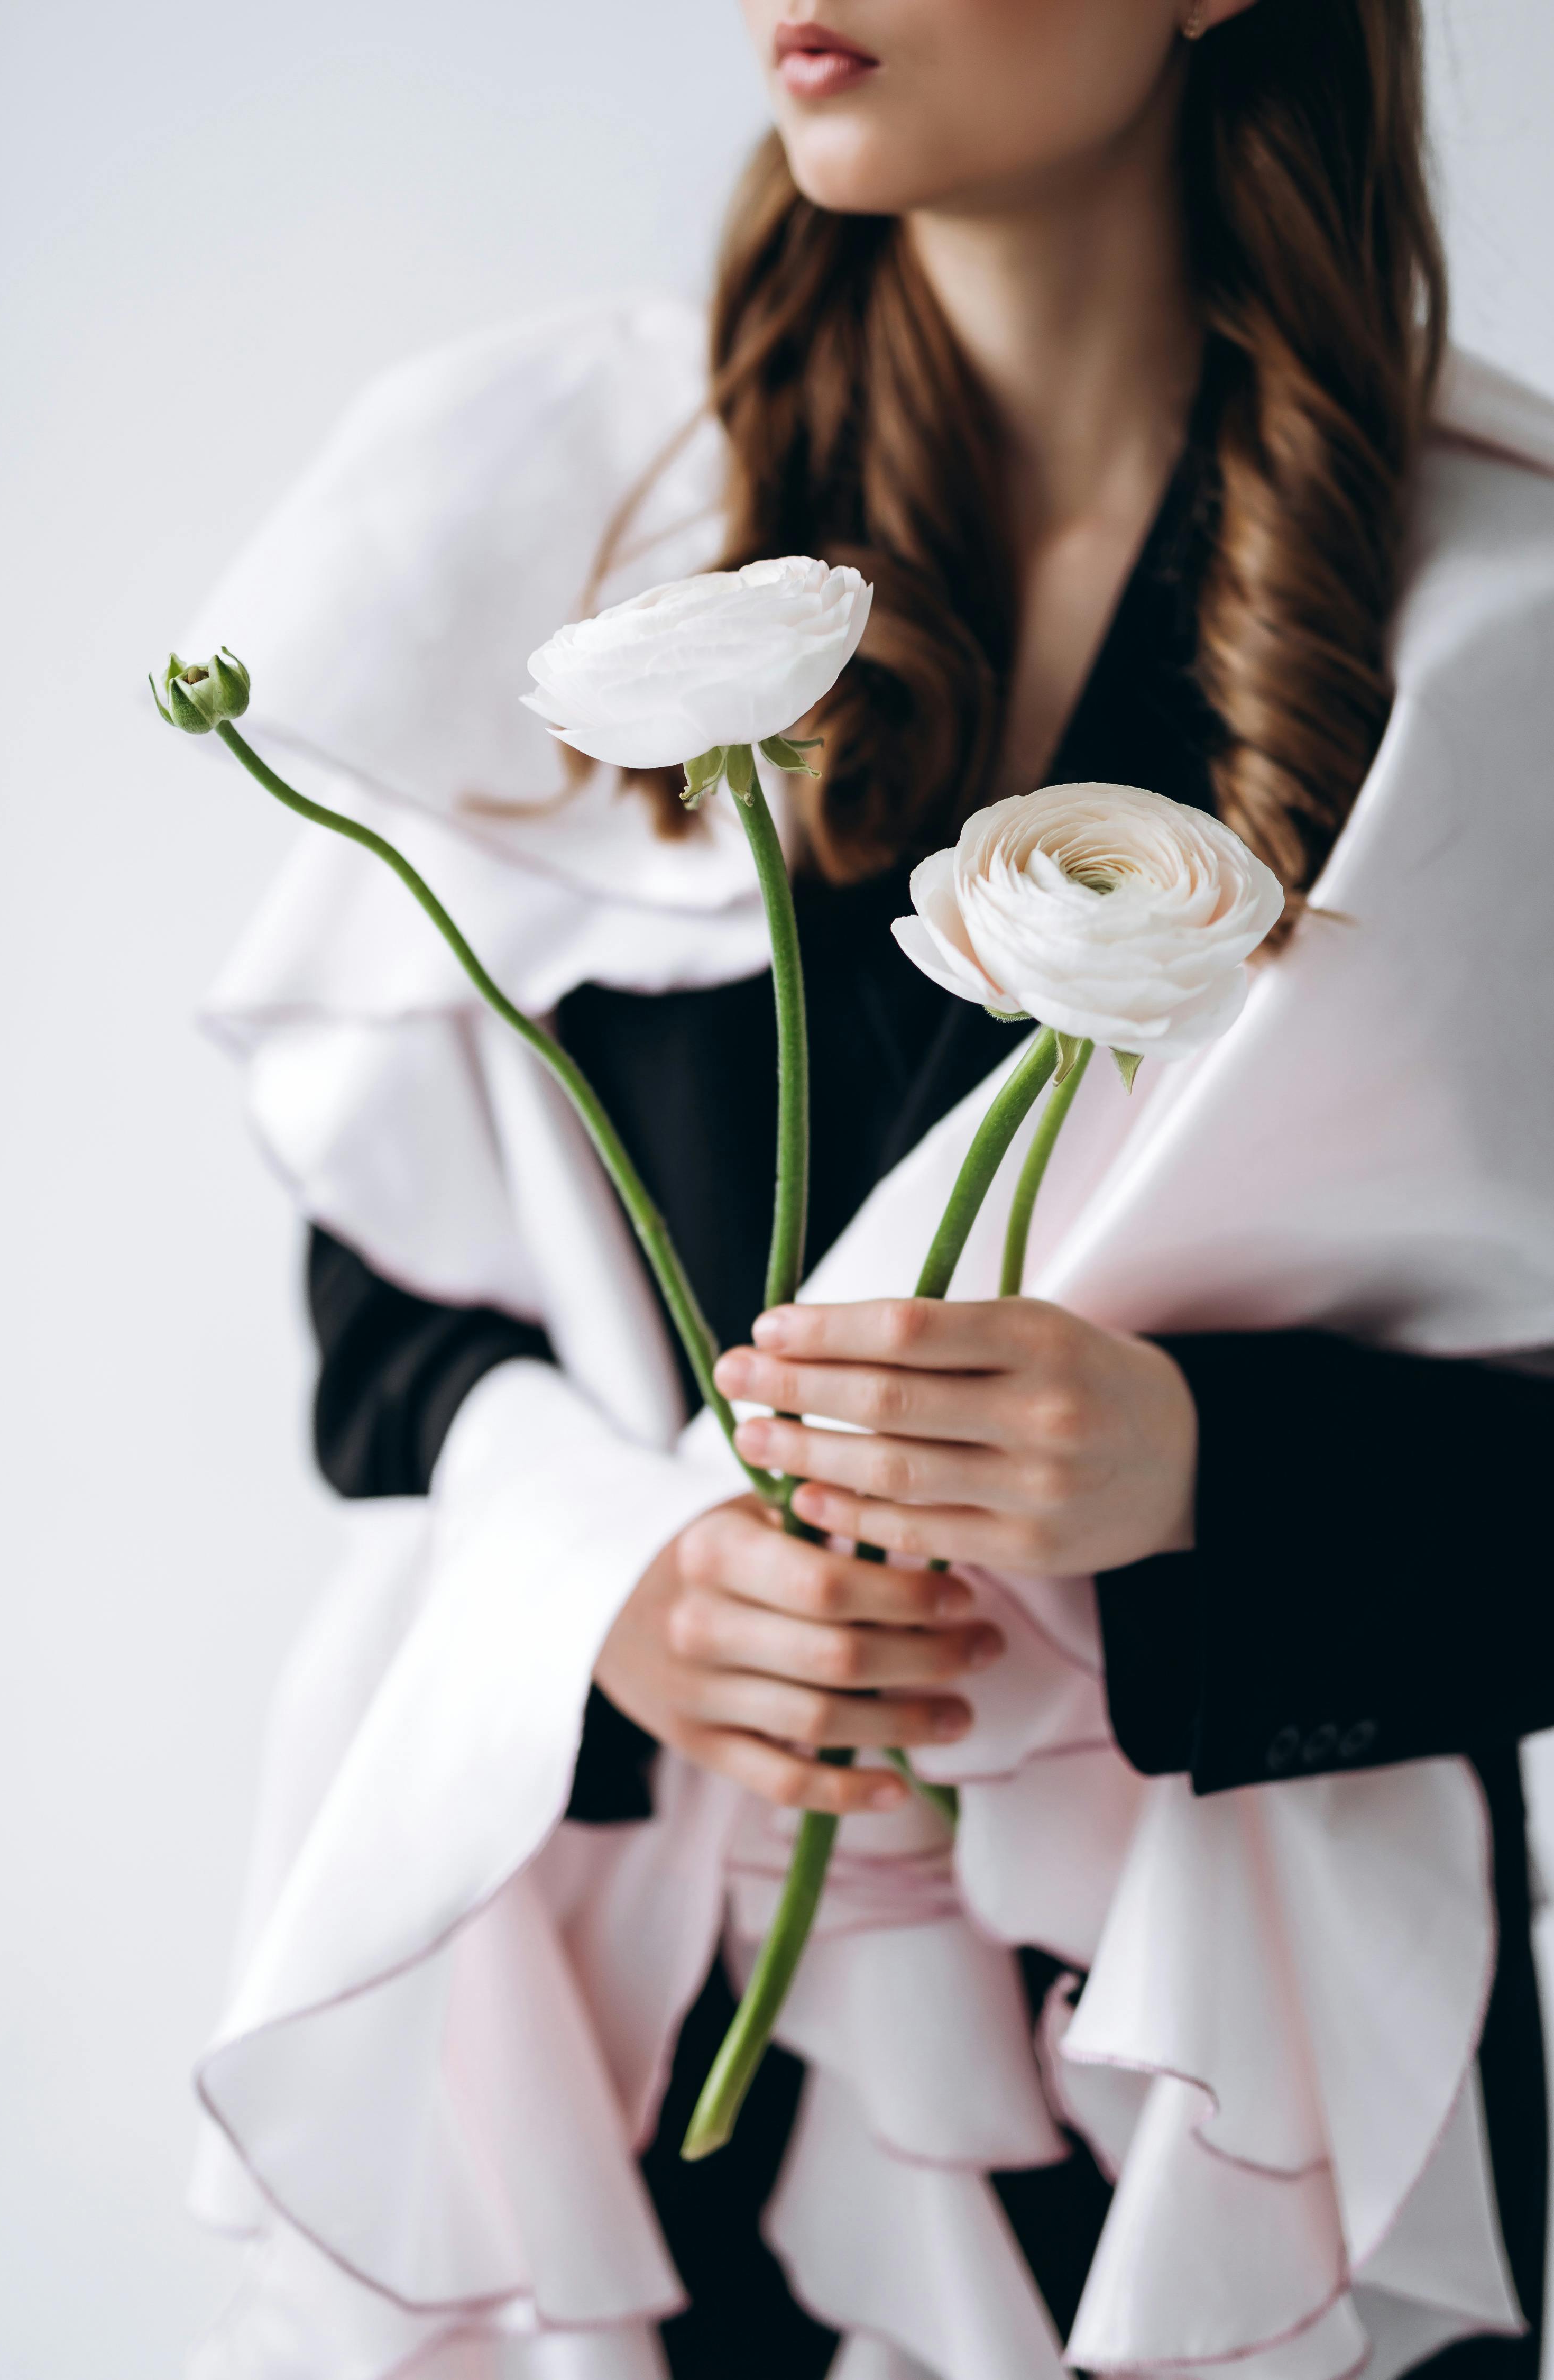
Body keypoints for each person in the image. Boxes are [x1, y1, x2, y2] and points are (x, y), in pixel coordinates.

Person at [185, 5, 1554, 2377]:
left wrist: (1217, 1476)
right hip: (656, 2101)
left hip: (1245, 2107)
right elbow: (389, 1326)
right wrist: (604, 1600)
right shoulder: (572, 515)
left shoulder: (1502, 635)